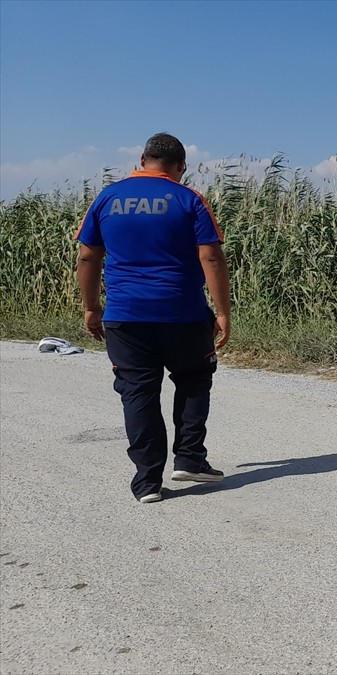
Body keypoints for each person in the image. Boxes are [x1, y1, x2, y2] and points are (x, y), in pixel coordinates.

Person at [76, 133, 232, 504]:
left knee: (138, 391)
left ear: (142, 160)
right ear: (180, 166)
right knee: (193, 378)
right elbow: (210, 256)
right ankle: (190, 458)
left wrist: (91, 307)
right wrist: (223, 311)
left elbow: (87, 257)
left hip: (125, 316)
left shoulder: (107, 198)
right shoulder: (189, 199)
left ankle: (147, 482)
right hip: (183, 314)